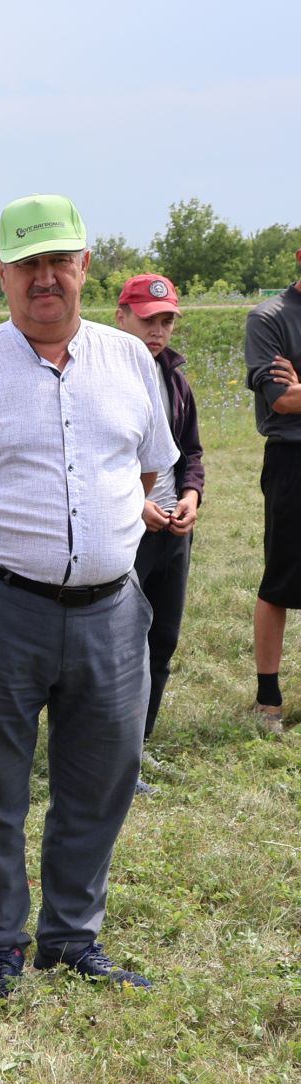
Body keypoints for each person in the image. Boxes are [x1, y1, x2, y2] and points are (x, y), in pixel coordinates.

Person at [0, 195, 176, 999]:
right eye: (27, 264)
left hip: (112, 608)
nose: (45, 279)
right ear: (0, 271)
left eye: (58, 262)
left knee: (101, 777)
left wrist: (100, 543)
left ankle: (71, 937)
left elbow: (146, 470)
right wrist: (9, 557)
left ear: (85, 266)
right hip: (3, 606)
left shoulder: (130, 360)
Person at [113, 274, 205, 777]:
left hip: (174, 527)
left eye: (167, 320)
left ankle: (138, 744)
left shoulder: (175, 379)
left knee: (162, 638)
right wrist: (137, 505)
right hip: (127, 529)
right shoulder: (103, 376)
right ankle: (107, 749)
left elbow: (190, 451)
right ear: (121, 315)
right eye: (149, 319)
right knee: (119, 643)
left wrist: (190, 496)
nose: (158, 330)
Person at [243, 246, 301, 731]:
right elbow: (282, 400)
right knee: (280, 580)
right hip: (292, 461)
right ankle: (268, 699)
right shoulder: (269, 318)